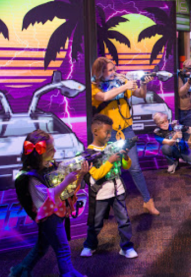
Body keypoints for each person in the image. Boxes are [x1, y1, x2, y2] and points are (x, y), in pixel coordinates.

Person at [10, 129, 89, 277]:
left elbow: (67, 192)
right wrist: (66, 181)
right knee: (63, 249)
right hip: (49, 217)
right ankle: (68, 273)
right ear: (40, 152)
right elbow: (50, 196)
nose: (55, 151)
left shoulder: (50, 166)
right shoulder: (32, 177)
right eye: (51, 149)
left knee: (41, 247)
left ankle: (20, 271)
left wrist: (81, 175)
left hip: (57, 212)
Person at [91, 57, 159, 216]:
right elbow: (104, 97)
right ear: (101, 72)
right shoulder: (94, 87)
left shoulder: (121, 83)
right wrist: (126, 85)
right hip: (109, 134)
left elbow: (141, 94)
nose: (114, 72)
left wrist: (143, 82)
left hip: (126, 130)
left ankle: (147, 202)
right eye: (110, 70)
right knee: (110, 170)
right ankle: (105, 207)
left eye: (114, 69)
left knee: (135, 167)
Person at [80, 114, 138, 259]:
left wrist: (125, 158)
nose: (109, 135)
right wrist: (110, 161)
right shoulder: (89, 154)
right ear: (95, 132)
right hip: (100, 192)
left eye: (110, 132)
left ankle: (126, 247)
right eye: (107, 132)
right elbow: (97, 175)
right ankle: (90, 245)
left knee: (124, 220)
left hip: (118, 189)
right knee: (95, 222)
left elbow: (125, 166)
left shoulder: (112, 147)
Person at [178, 59, 191, 142]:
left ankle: (184, 151)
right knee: (179, 135)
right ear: (183, 67)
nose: (189, 71)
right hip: (179, 110)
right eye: (188, 68)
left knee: (187, 135)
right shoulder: (179, 76)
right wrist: (188, 83)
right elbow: (180, 93)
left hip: (188, 110)